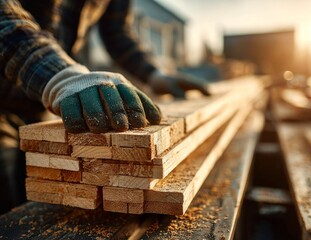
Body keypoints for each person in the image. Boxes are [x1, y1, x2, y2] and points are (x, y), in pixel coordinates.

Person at [0, 0, 209, 213]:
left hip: (43, 100)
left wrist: (154, 74)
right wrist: (61, 75)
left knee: (37, 200)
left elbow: (118, 33)